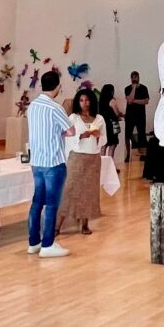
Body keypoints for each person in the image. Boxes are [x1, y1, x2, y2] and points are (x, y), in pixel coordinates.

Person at [25, 69, 73, 258]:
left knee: (37, 202)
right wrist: (59, 132)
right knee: (52, 204)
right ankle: (48, 244)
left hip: (36, 161)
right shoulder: (55, 108)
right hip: (53, 161)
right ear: (58, 87)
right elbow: (71, 131)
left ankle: (33, 242)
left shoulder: (32, 106)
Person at [56, 89, 106, 235]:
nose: (85, 103)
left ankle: (85, 224)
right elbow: (65, 136)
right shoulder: (73, 118)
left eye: (87, 100)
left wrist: (98, 135)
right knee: (69, 190)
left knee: (89, 192)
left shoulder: (99, 119)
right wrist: (80, 136)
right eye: (82, 100)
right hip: (77, 158)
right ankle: (57, 225)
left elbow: (104, 139)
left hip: (93, 159)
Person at [123, 70, 150, 156]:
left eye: (136, 77)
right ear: (131, 78)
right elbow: (129, 102)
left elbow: (145, 101)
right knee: (127, 135)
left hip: (140, 116)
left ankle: (143, 154)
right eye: (133, 77)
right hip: (130, 115)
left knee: (142, 135)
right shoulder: (127, 89)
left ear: (139, 78)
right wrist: (134, 88)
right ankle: (128, 154)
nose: (134, 79)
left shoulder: (144, 88)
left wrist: (133, 100)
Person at [97, 83, 121, 159]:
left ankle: (102, 163)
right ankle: (110, 163)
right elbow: (117, 113)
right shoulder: (112, 100)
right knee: (113, 145)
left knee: (104, 145)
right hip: (112, 124)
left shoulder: (101, 101)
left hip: (104, 124)